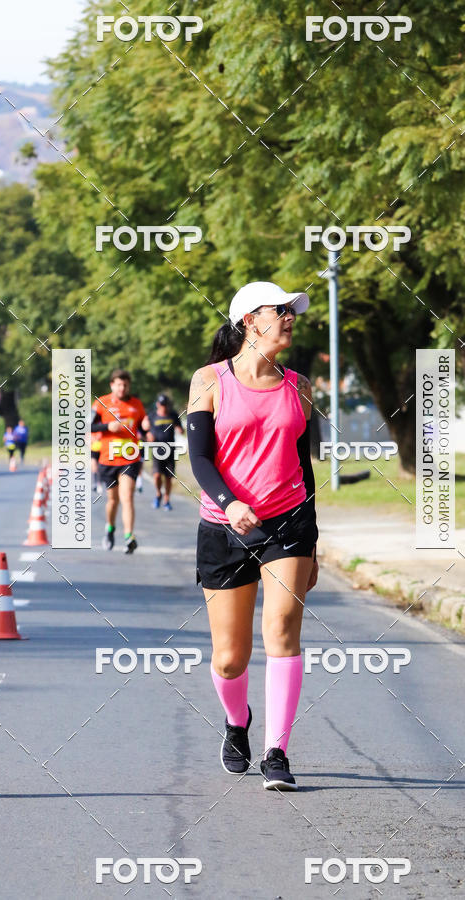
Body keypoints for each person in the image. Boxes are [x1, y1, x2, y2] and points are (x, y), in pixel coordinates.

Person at [187, 281, 319, 792]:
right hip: (224, 527)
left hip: (288, 524)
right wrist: (230, 502)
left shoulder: (301, 387)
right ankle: (237, 722)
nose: (289, 317)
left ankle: (277, 750)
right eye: (280, 310)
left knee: (283, 629)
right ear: (249, 321)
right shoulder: (210, 380)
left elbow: (305, 469)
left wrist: (314, 541)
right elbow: (199, 459)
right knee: (229, 656)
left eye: (292, 311)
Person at [90, 369, 150, 553]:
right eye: (118, 384)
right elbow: (88, 425)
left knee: (127, 498)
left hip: (130, 458)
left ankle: (129, 536)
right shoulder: (101, 403)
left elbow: (143, 424)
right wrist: (108, 426)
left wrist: (147, 427)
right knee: (113, 501)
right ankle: (110, 529)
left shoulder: (136, 404)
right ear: (112, 385)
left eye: (125, 385)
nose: (122, 388)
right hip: (107, 459)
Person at [147, 393, 184, 510]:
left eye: (166, 405)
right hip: (157, 450)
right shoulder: (152, 416)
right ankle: (158, 494)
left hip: (171, 450)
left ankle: (166, 499)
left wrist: (179, 429)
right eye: (162, 405)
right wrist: (148, 435)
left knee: (169, 477)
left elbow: (180, 429)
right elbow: (145, 429)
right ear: (158, 404)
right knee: (157, 475)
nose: (164, 407)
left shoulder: (173, 415)